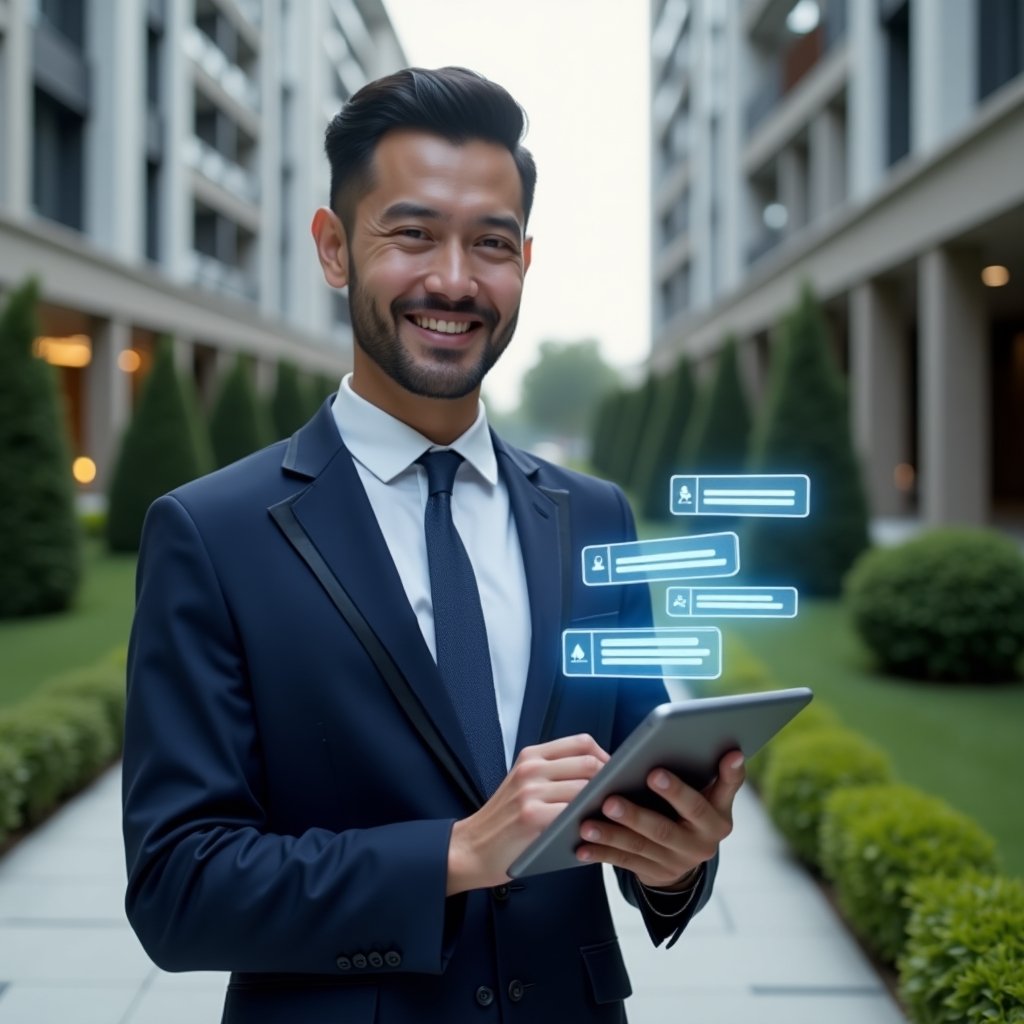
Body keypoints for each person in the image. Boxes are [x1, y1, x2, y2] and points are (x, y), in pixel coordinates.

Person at [122, 66, 745, 1024]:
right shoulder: (211, 533)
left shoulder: (597, 518)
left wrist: (676, 861)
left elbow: (639, 792)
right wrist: (457, 854)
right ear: (334, 249)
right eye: (411, 234)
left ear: (524, 263)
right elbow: (178, 888)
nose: (454, 280)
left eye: (490, 244)